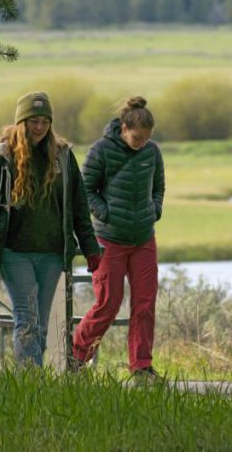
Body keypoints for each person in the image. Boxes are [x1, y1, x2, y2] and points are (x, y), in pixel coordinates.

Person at [0, 91, 103, 367]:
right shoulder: (0, 157)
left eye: (44, 121)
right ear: (21, 122)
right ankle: (30, 381)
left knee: (39, 326)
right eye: (33, 121)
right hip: (14, 252)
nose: (39, 127)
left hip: (52, 253)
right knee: (27, 321)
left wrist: (90, 247)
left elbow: (78, 204)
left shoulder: (63, 156)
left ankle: (30, 381)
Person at [71, 97, 165, 383]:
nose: (141, 143)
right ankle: (75, 358)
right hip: (109, 239)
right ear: (123, 129)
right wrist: (106, 214)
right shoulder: (100, 150)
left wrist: (154, 210)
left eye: (146, 138)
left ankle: (141, 368)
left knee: (145, 304)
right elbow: (86, 189)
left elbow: (159, 187)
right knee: (108, 303)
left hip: (143, 239)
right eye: (137, 137)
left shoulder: (152, 151)